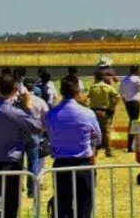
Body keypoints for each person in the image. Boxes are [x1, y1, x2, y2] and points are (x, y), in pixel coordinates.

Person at [0, 75, 44, 218]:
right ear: (15, 89)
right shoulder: (13, 112)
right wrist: (28, 106)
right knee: (9, 208)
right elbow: (38, 127)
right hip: (9, 166)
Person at [46, 75, 101, 218]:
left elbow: (48, 134)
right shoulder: (87, 113)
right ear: (77, 91)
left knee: (62, 205)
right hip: (83, 163)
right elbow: (98, 137)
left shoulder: (51, 114)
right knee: (84, 204)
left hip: (61, 163)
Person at [86, 70, 120, 158]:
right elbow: (117, 96)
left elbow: (86, 97)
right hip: (104, 111)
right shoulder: (107, 87)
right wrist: (112, 107)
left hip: (93, 111)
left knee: (93, 131)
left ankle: (94, 150)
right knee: (106, 131)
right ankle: (108, 150)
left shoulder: (92, 87)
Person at [120, 66, 140, 152]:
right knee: (134, 124)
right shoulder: (136, 79)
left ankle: (130, 145)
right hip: (135, 103)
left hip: (128, 103)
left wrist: (125, 101)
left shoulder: (124, 79)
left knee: (132, 122)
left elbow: (121, 92)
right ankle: (131, 146)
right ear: (137, 71)